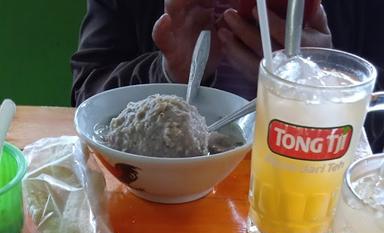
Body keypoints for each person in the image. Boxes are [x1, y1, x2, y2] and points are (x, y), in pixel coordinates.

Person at [71, 0, 384, 150]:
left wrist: (322, 82)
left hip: (306, 202)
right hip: (155, 200)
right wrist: (166, 73)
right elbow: (86, 92)